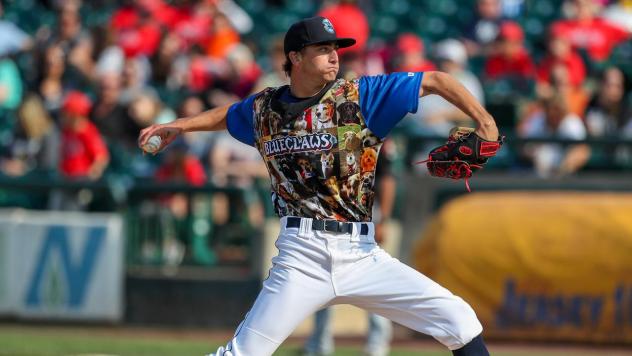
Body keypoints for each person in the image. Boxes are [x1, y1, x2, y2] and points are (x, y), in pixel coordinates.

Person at [139, 16, 499, 356]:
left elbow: (435, 80)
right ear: (295, 57)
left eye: (335, 49)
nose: (333, 56)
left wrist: (484, 121)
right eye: (322, 49)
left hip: (362, 254)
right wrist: (181, 126)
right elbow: (229, 114)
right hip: (301, 256)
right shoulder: (265, 109)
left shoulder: (361, 96)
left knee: (460, 320)